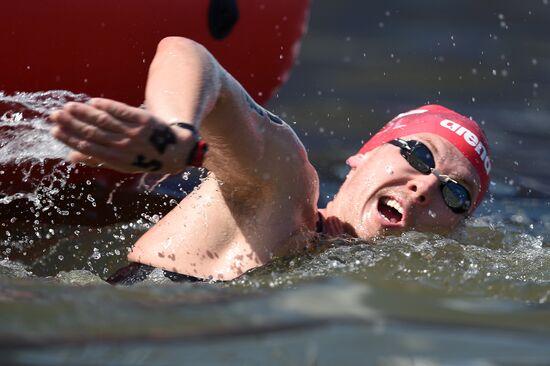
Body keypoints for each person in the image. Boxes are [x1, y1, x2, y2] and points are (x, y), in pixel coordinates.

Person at [49, 37, 491, 283]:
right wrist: (176, 130)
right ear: (363, 156)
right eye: (418, 154)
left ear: (455, 228)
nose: (425, 186)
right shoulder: (285, 183)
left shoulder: (375, 291)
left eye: (455, 194)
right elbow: (188, 53)